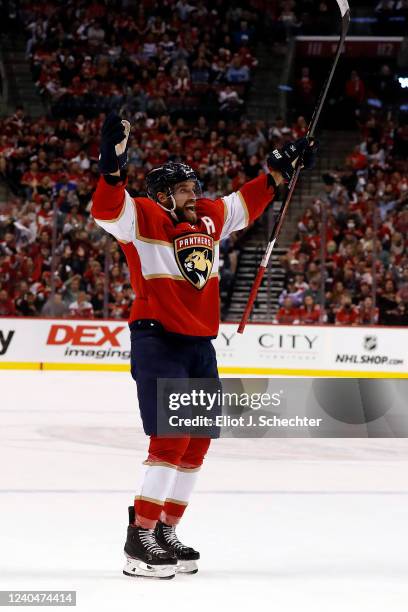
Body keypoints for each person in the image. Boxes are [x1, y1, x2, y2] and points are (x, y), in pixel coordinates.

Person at [91, 112, 317, 580]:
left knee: (197, 442)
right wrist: (112, 171)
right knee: (170, 437)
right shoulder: (143, 218)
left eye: (196, 187)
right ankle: (140, 539)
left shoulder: (210, 218)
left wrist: (280, 170)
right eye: (186, 189)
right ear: (163, 196)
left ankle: (166, 530)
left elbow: (246, 202)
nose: (196, 194)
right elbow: (107, 211)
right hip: (159, 340)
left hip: (200, 345)